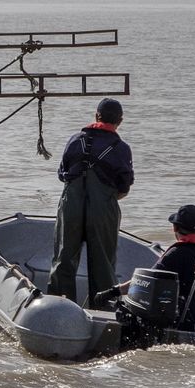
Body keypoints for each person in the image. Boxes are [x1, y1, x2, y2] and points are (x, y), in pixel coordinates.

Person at [48, 97, 134, 302]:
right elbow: (124, 186)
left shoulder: (75, 140)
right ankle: (102, 309)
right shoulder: (121, 148)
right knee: (103, 264)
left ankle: (58, 306)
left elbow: (62, 174)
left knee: (64, 258)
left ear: (96, 116)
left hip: (71, 206)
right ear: (120, 121)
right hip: (103, 210)